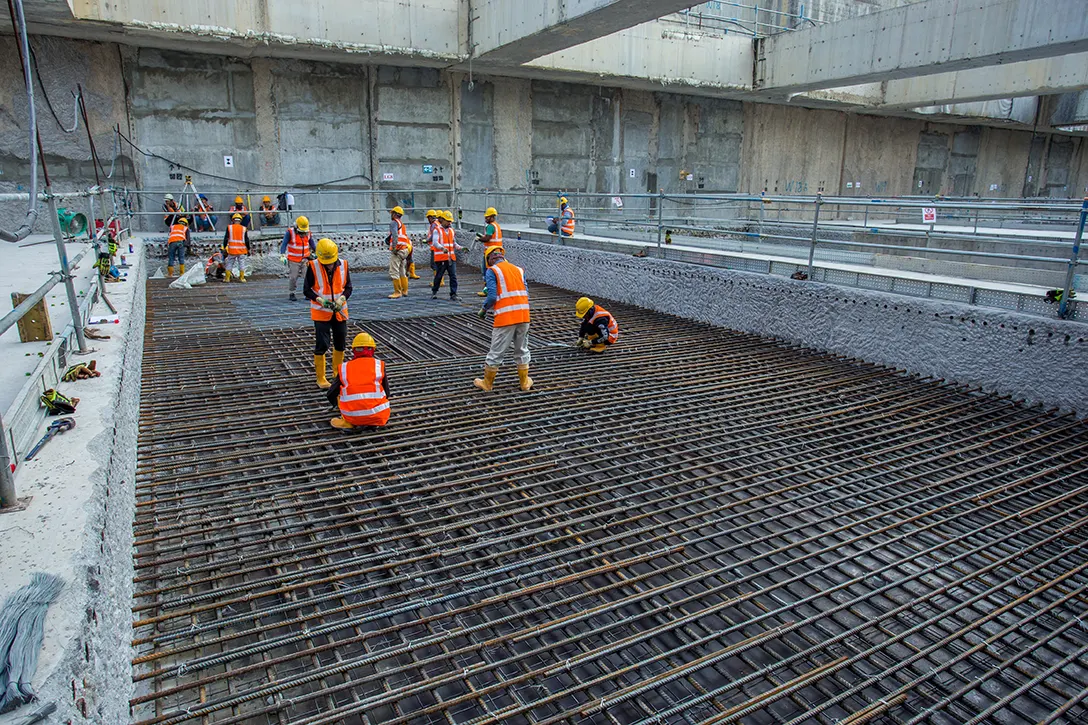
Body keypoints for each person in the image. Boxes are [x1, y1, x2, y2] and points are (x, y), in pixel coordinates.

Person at [474, 245, 532, 393]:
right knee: (522, 350)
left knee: (496, 352)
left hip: (506, 318)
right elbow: (525, 293)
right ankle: (524, 383)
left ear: (490, 259)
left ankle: (487, 383)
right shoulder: (519, 270)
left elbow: (492, 296)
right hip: (524, 315)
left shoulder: (492, 271)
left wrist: (484, 309)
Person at [304, 238, 352, 390]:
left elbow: (348, 287)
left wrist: (342, 299)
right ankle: (321, 377)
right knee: (322, 344)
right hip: (321, 314)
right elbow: (306, 290)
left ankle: (337, 374)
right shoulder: (313, 266)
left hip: (339, 312)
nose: (329, 265)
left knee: (340, 343)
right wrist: (321, 301)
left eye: (331, 262)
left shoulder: (344, 265)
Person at [327, 332, 390, 430]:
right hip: (378, 416)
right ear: (373, 349)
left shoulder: (345, 368)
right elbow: (387, 392)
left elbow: (331, 393)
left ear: (354, 350)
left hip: (352, 417)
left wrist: (335, 405)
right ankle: (372, 422)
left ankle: (347, 422)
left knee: (342, 391)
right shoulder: (379, 365)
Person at [279, 215, 315, 301]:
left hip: (305, 259)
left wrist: (318, 252)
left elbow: (312, 243)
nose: (303, 234)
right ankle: (292, 293)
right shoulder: (290, 232)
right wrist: (282, 254)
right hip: (293, 260)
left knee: (307, 276)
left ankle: (308, 293)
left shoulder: (308, 233)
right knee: (293, 277)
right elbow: (284, 244)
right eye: (301, 232)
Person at [431, 210, 465, 301]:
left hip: (451, 258)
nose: (449, 223)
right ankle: (434, 291)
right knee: (439, 276)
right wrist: (442, 248)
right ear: (442, 220)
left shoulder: (451, 231)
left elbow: (454, 243)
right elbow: (435, 243)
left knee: (453, 276)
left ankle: (453, 294)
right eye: (448, 221)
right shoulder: (437, 230)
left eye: (450, 221)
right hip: (441, 258)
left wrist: (461, 248)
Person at [475, 207, 502, 297]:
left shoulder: (490, 226)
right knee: (495, 271)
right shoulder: (496, 225)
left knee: (487, 271)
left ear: (492, 217)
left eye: (487, 217)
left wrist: (479, 239)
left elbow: (487, 238)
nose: (486, 219)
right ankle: (496, 289)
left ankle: (487, 290)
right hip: (498, 252)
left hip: (490, 253)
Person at [387, 206, 411, 299]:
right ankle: (405, 291)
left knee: (393, 271)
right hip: (404, 250)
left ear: (394, 214)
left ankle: (397, 292)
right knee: (402, 270)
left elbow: (395, 235)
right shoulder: (402, 224)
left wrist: (394, 247)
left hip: (398, 250)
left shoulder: (393, 223)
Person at [221, 213, 251, 282]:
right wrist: (248, 248)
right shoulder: (244, 228)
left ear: (233, 220)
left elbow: (226, 238)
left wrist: (224, 247)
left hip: (232, 250)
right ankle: (242, 278)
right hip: (241, 250)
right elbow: (246, 240)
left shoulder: (229, 227)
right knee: (241, 263)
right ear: (240, 220)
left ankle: (227, 278)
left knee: (230, 263)